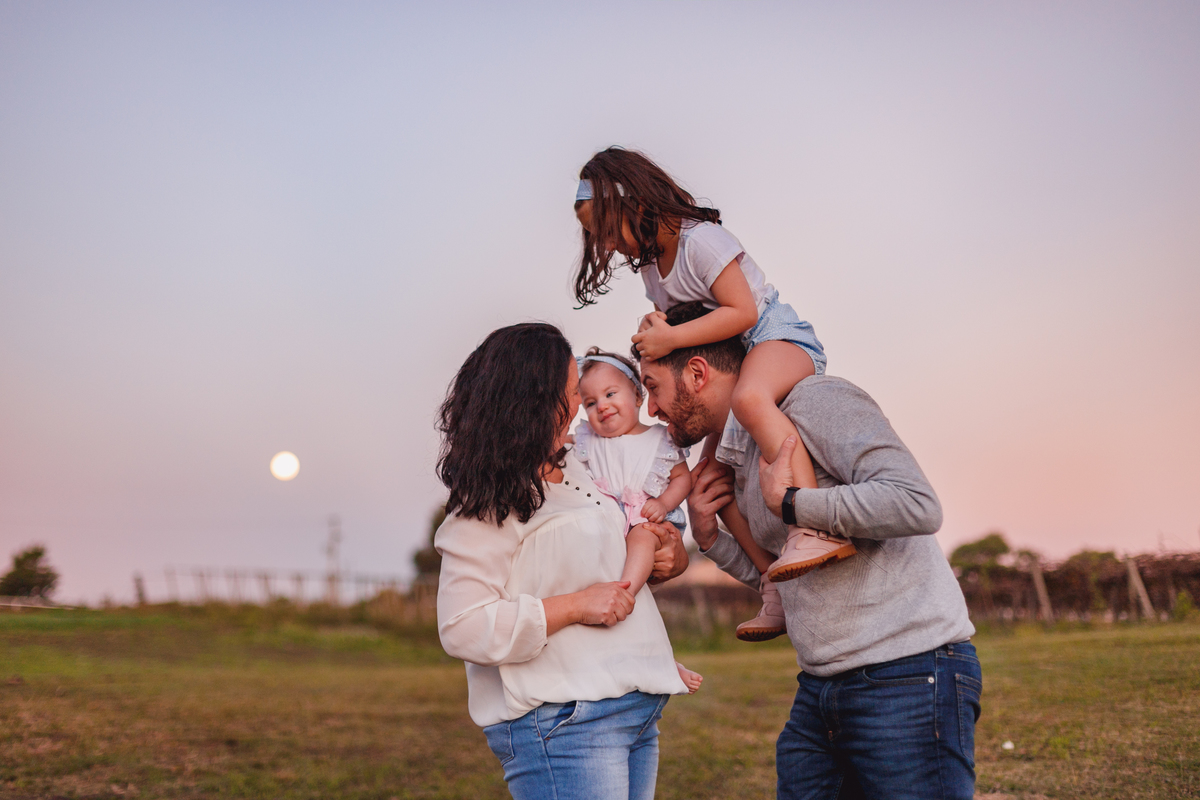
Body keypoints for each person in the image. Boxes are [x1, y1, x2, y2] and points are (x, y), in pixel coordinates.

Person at [637, 302, 982, 800]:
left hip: (908, 674)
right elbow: (788, 569)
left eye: (652, 388)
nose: (651, 409)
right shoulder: (736, 452)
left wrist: (796, 503)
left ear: (695, 372)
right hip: (821, 688)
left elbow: (916, 504)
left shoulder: (813, 401)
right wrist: (712, 539)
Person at [572, 146, 854, 641]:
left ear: (636, 205)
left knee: (749, 400)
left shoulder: (700, 240)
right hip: (736, 357)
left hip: (775, 337)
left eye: (609, 230)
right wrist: (657, 329)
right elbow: (681, 325)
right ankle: (772, 579)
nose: (611, 245)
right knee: (707, 477)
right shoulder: (650, 269)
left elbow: (742, 311)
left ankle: (813, 525)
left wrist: (673, 338)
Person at [435, 322, 692, 800]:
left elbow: (610, 569)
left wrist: (669, 558)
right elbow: (462, 626)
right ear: (529, 402)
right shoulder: (488, 501)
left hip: (634, 711)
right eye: (572, 393)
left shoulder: (585, 465)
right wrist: (573, 606)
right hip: (564, 722)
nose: (581, 407)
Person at [572, 346, 702, 692]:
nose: (602, 406)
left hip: (648, 519)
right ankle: (660, 660)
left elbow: (682, 478)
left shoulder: (658, 439)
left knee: (642, 538)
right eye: (590, 402)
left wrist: (663, 501)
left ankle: (624, 591)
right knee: (635, 611)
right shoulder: (587, 442)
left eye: (611, 393)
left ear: (637, 393)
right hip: (610, 528)